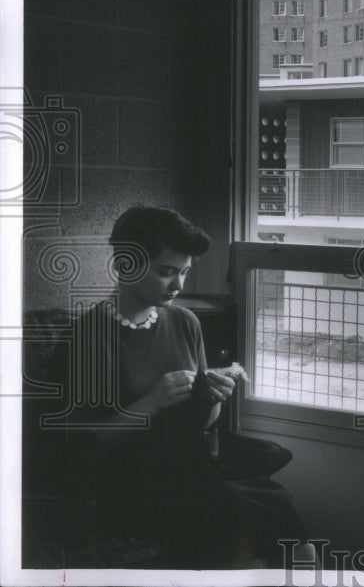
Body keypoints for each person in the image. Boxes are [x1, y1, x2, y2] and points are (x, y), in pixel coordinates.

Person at [66, 205, 310, 568]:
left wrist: (213, 398)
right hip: (131, 484)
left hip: (191, 467)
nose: (178, 285)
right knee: (238, 514)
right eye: (167, 272)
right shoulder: (90, 334)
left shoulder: (185, 322)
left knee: (284, 517)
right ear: (125, 265)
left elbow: (204, 424)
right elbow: (83, 444)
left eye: (184, 272)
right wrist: (150, 403)